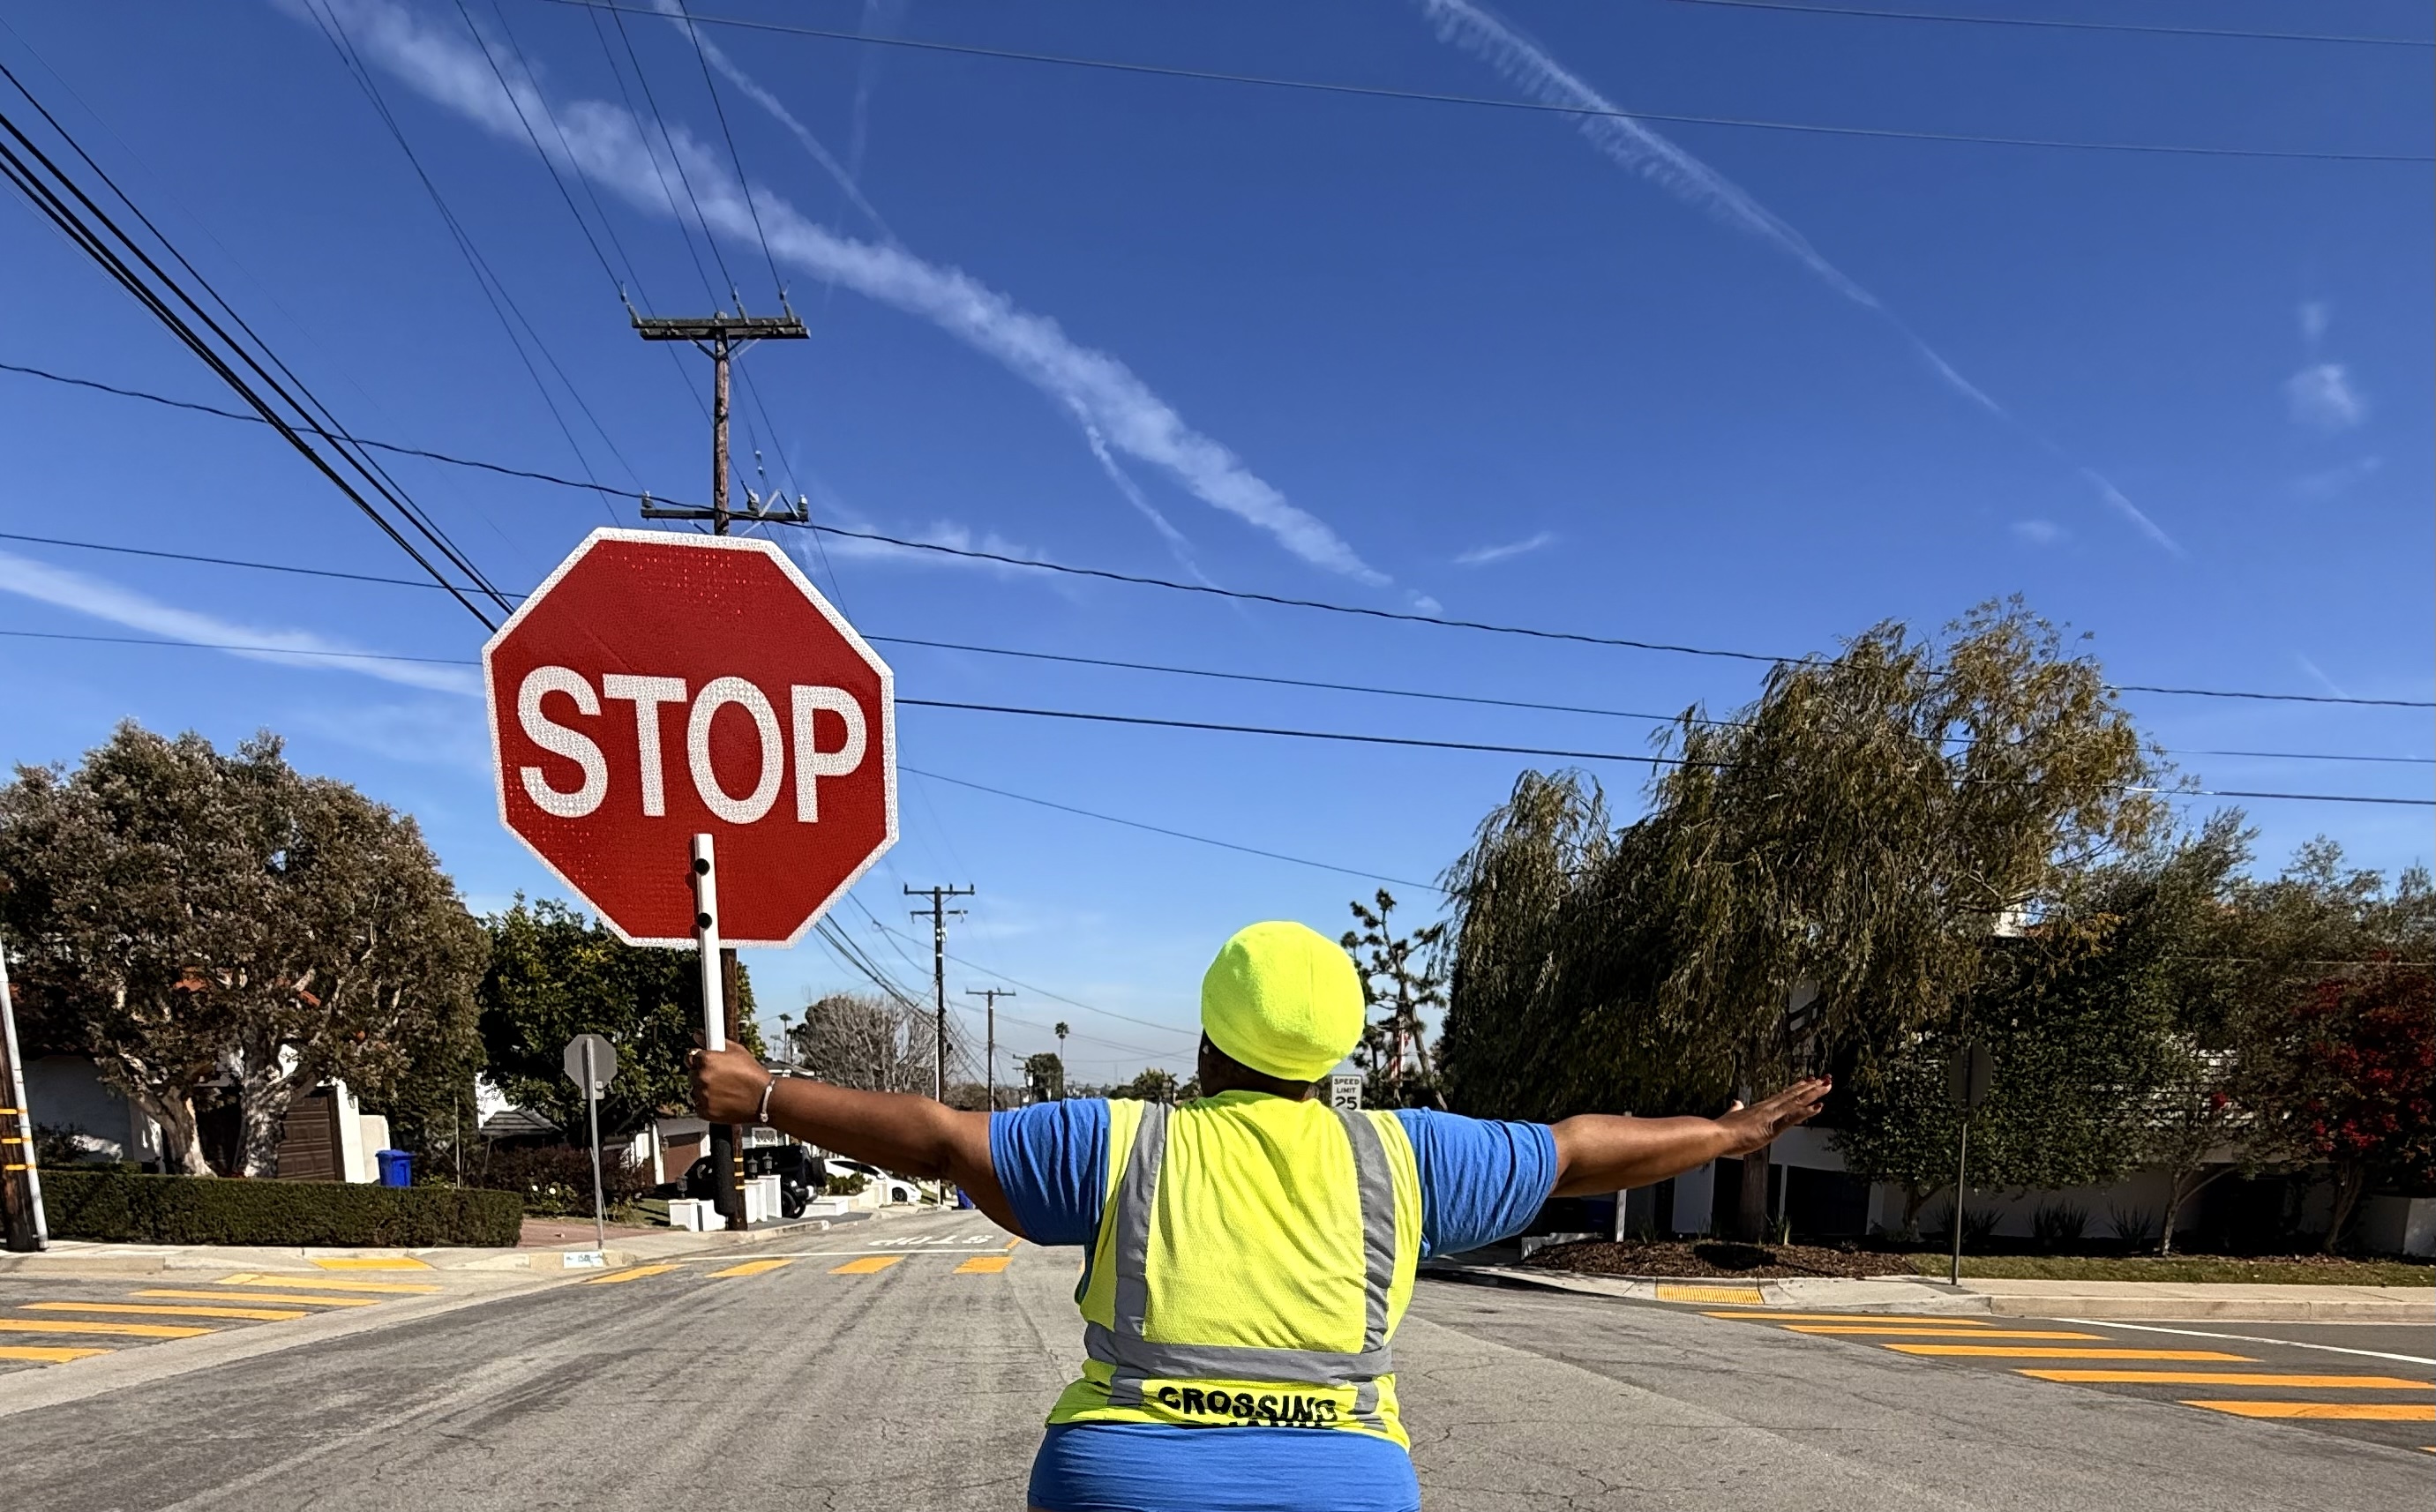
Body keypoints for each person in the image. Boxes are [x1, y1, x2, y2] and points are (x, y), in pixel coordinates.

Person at [691, 920, 1828, 1512]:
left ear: (1203, 1044)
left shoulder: (1123, 1139)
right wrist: (1725, 1134)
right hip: (1338, 1481)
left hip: (1121, 1477)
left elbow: (939, 1134)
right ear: (1336, 1051)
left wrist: (767, 1091)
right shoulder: (1404, 1153)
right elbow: (1582, 1150)